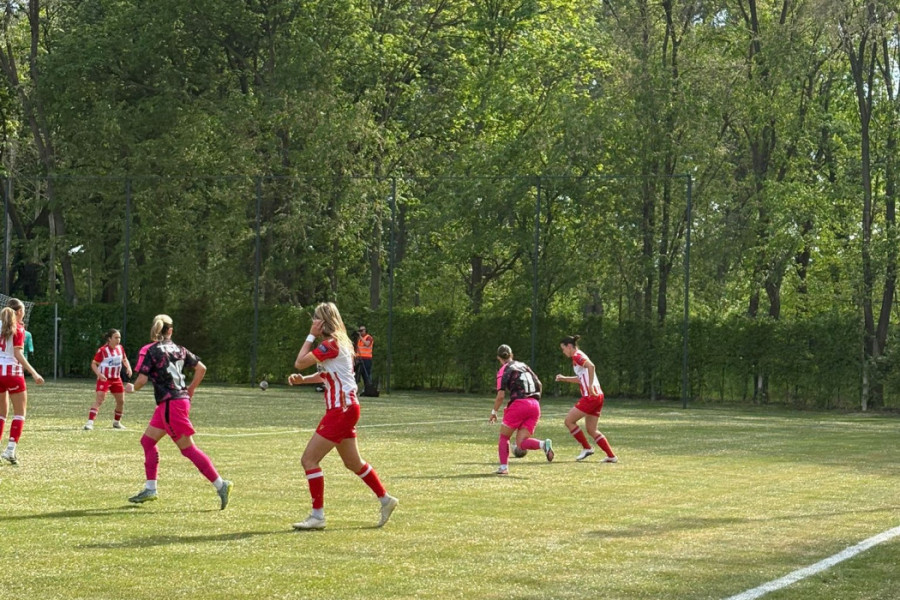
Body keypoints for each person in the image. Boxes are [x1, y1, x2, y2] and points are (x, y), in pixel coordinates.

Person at [288, 302, 397, 530]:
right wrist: (304, 380)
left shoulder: (331, 344)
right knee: (353, 462)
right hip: (347, 408)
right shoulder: (342, 344)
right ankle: (386, 500)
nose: (313, 323)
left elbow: (300, 361)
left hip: (341, 410)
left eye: (315, 320)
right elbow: (326, 375)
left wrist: (310, 336)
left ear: (322, 322)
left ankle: (317, 516)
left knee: (309, 460)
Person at [125, 314, 233, 509]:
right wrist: (190, 389)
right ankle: (151, 489)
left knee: (188, 449)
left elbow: (141, 380)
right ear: (171, 331)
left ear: (155, 329)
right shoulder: (180, 349)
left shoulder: (149, 350)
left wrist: (133, 388)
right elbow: (201, 368)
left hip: (170, 404)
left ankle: (220, 484)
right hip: (176, 401)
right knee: (147, 441)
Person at [489, 344, 553, 475]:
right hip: (535, 404)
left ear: (498, 358)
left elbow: (500, 396)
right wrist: (533, 400)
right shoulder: (524, 365)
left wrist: (494, 412)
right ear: (512, 355)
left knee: (504, 437)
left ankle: (503, 467)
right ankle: (543, 444)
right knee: (521, 442)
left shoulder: (503, 370)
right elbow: (539, 384)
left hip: (519, 404)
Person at [555, 335, 618, 463]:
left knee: (569, 421)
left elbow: (591, 366)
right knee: (591, 429)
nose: (563, 352)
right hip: (598, 395)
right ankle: (611, 456)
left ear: (569, 346)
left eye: (563, 348)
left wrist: (589, 386)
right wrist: (564, 378)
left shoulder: (577, 356)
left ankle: (586, 447)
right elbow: (580, 378)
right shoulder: (577, 358)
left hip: (590, 396)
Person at [0, 299, 45, 465]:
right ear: (18, 312)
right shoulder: (18, 328)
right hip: (12, 373)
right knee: (19, 413)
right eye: (23, 310)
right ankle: (10, 450)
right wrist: (34, 373)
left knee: (1, 414)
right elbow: (18, 354)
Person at [84, 329, 133, 430]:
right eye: (116, 337)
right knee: (100, 400)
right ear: (109, 339)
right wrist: (99, 374)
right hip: (105, 379)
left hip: (116, 379)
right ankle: (89, 423)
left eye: (119, 337)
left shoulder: (120, 348)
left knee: (121, 401)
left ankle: (116, 422)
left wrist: (128, 367)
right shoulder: (102, 350)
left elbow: (124, 359)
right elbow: (94, 364)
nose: (118, 339)